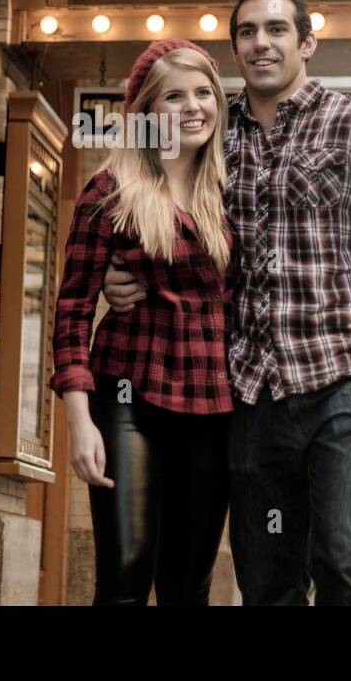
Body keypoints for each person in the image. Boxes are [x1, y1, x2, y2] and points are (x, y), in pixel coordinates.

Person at [104, 0, 351, 605]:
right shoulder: (214, 139)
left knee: (345, 556)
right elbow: (157, 211)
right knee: (266, 577)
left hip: (348, 380)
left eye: (276, 29)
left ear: (307, 43)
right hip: (250, 391)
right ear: (235, 49)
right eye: (247, 32)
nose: (261, 43)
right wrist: (120, 271)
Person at [49, 39, 237, 605]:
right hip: (128, 400)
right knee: (126, 574)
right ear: (146, 113)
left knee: (188, 585)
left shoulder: (231, 194)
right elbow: (72, 311)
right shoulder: (110, 192)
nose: (193, 106)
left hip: (212, 408)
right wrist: (80, 421)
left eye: (204, 92)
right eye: (174, 96)